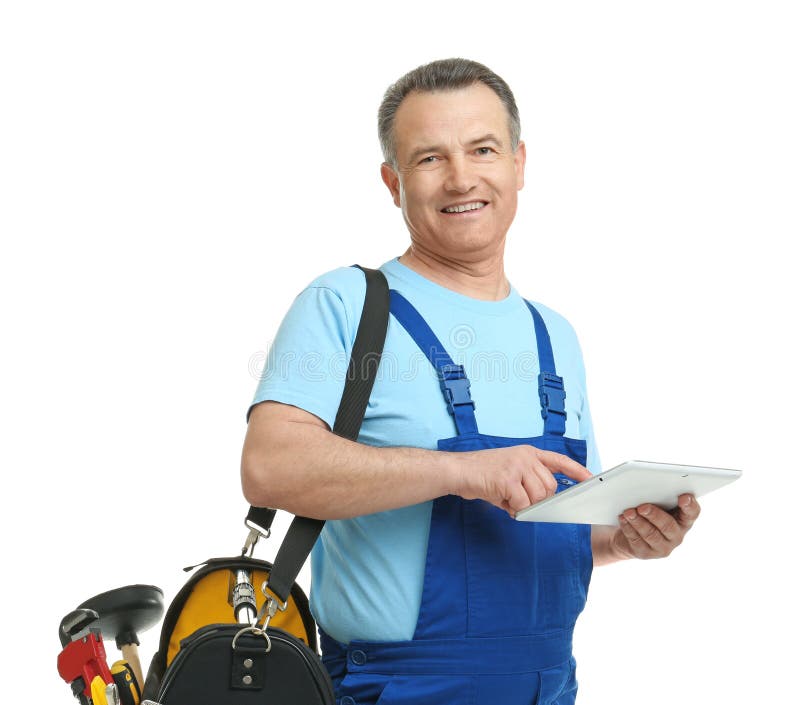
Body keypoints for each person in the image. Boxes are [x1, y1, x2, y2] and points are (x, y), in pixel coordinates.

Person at [241, 58, 700, 705]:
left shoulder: (554, 334)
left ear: (518, 162)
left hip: (548, 685)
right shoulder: (346, 304)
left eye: (482, 149)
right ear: (391, 180)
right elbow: (269, 466)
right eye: (430, 157)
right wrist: (461, 471)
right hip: (395, 687)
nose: (462, 177)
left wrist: (626, 536)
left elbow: (562, 529)